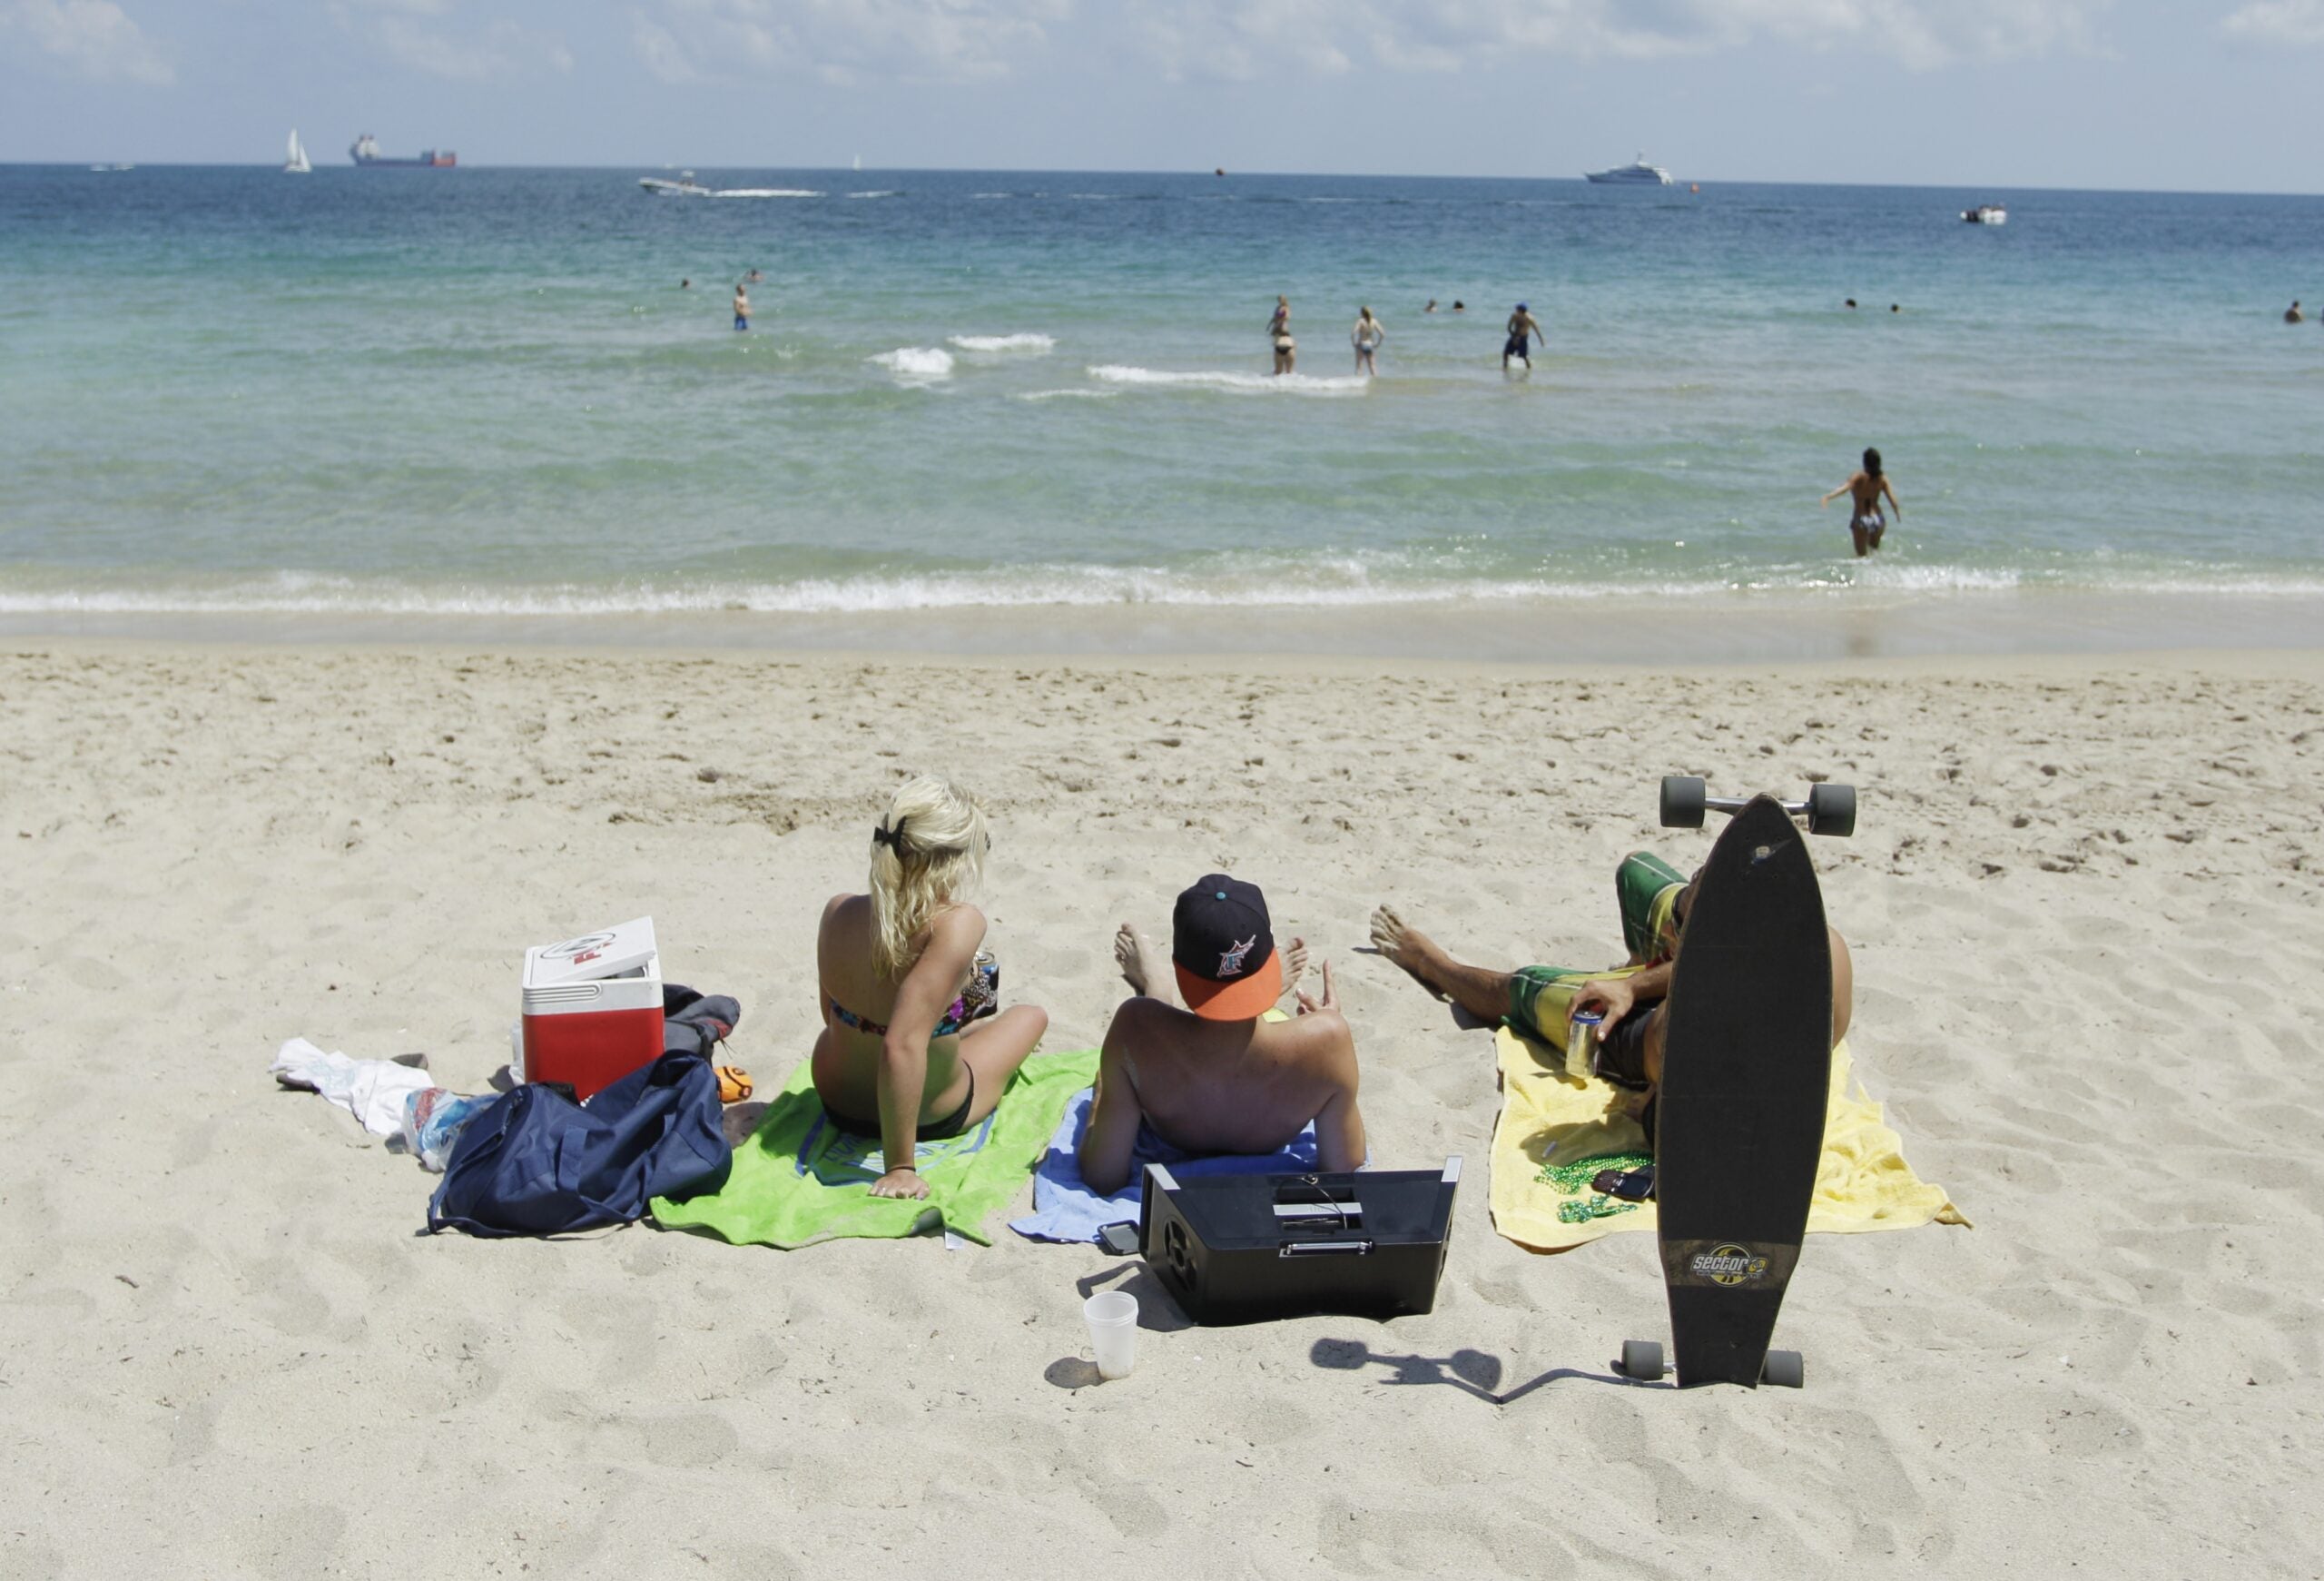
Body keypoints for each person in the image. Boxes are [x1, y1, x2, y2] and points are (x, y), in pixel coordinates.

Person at [1368, 855, 1854, 1133]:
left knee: (1519, 988)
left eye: (1694, 928)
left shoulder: (1706, 1044)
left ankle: (1430, 963)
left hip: (1637, 1039)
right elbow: (1721, 964)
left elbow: (1665, 1111)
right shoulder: (1818, 941)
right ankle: (1650, 949)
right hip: (1683, 990)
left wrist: (1629, 999)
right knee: (1637, 871)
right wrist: (1633, 981)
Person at [813, 776, 1049, 1200]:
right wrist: (900, 1166)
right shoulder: (958, 922)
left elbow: (829, 1013)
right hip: (926, 1113)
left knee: (914, 1023)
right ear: (954, 861)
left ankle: (953, 1030)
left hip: (838, 1100)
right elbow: (901, 1044)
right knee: (1029, 1016)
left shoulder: (837, 910)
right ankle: (907, 1141)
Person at [1078, 875, 1363, 1195]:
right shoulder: (1328, 1038)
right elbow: (1345, 1172)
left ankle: (1157, 983)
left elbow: (1102, 1175)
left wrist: (1103, 1085)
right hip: (1275, 1114)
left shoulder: (1132, 1028)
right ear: (1269, 962)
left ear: (1180, 970)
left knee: (1151, 1014)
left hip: (1173, 1122)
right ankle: (1256, 989)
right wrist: (1326, 1031)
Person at [1822, 446, 1903, 557]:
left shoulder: (1858, 477)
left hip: (1861, 519)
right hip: (1878, 519)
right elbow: (1892, 500)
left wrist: (1828, 497)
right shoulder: (1882, 478)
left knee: (1861, 556)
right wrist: (1897, 513)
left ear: (1864, 462)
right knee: (1874, 553)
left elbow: (1845, 488)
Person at [1502, 302, 1544, 370]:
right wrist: (1514, 337)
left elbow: (1537, 330)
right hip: (1514, 336)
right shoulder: (1514, 316)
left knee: (1524, 356)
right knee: (1506, 353)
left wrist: (1541, 340)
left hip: (1523, 338)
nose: (1516, 311)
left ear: (1521, 311)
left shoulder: (1530, 319)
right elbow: (1509, 327)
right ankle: (1505, 368)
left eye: (1517, 309)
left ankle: (1529, 370)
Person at [1351, 306, 1385, 375]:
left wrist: (1354, 343)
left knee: (1359, 367)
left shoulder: (1360, 321)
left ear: (1362, 313)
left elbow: (1353, 333)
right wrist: (1378, 344)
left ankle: (1357, 383)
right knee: (1372, 367)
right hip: (1370, 345)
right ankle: (1376, 383)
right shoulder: (1374, 321)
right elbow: (1382, 334)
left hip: (1361, 344)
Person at [1269, 296, 1296, 375]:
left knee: (1277, 372)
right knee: (1289, 373)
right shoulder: (1284, 308)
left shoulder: (1284, 309)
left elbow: (1285, 317)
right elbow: (1286, 317)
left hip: (1279, 347)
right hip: (1290, 346)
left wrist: (1277, 317)